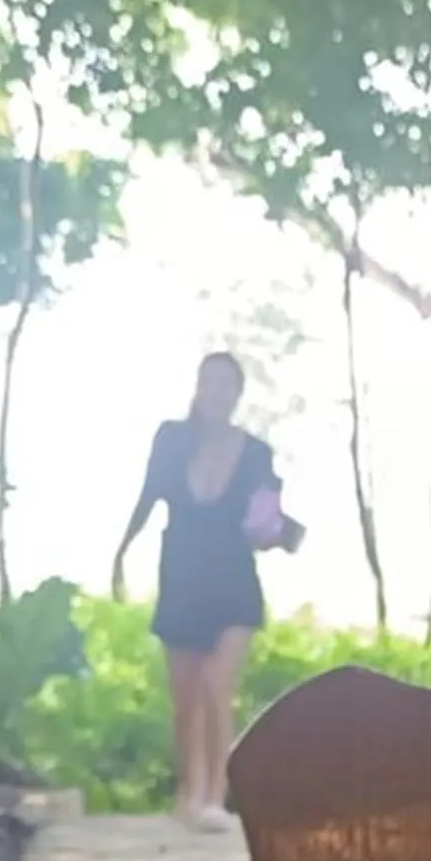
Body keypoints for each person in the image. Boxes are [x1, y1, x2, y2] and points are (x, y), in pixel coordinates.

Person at [112, 351, 296, 825]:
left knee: (217, 685)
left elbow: (263, 525)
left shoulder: (257, 454)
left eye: (225, 384)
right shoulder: (172, 439)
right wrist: (121, 552)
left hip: (233, 579)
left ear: (238, 395)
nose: (215, 392)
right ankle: (188, 793)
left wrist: (273, 531)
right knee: (186, 698)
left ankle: (216, 797)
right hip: (182, 575)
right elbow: (148, 494)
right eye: (208, 382)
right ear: (197, 387)